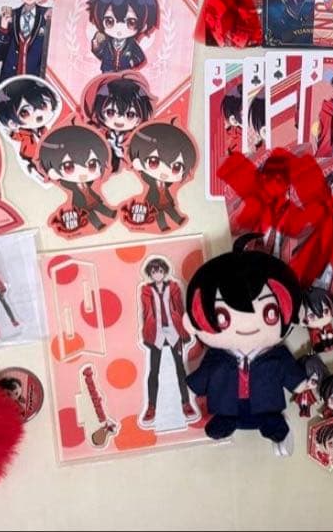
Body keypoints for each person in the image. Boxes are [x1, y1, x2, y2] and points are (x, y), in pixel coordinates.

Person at [185, 236, 310, 456]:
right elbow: (203, 375)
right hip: (227, 407)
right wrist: (191, 389)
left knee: (271, 422)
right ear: (192, 322)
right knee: (223, 420)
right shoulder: (216, 357)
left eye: (270, 314)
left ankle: (275, 427)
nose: (247, 326)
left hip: (266, 406)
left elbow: (290, 373)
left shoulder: (277, 355)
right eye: (222, 316)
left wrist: (301, 384)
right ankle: (227, 422)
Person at [139, 257, 196, 425]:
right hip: (156, 332)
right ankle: (151, 407)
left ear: (164, 272)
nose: (157, 274)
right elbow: (146, 313)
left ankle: (186, 403)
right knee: (153, 371)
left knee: (181, 369)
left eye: (160, 271)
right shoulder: (146, 290)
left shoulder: (173, 287)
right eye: (154, 272)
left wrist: (184, 329)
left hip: (173, 331)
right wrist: (147, 333)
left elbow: (180, 307)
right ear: (150, 274)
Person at [39, 125, 116, 231]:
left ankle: (111, 213)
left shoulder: (88, 181)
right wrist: (51, 175)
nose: (82, 173)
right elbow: (63, 183)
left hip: (93, 199)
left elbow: (94, 182)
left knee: (100, 207)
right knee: (90, 214)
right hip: (81, 204)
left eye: (92, 165)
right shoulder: (69, 184)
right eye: (68, 167)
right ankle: (98, 225)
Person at [127, 121, 197, 232]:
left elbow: (169, 184)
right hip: (154, 201)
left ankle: (179, 220)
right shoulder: (149, 179)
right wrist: (138, 166)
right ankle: (163, 227)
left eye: (176, 167)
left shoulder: (167, 182)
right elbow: (144, 176)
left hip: (167, 200)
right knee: (159, 215)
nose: (164, 172)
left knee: (171, 210)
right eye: (153, 162)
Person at [87, 0, 159, 72]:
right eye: (109, 21)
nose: (119, 29)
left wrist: (131, 63)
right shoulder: (107, 42)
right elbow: (101, 54)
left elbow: (140, 58)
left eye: (131, 22)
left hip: (125, 74)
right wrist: (96, 47)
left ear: (143, 26)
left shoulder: (132, 44)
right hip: (107, 72)